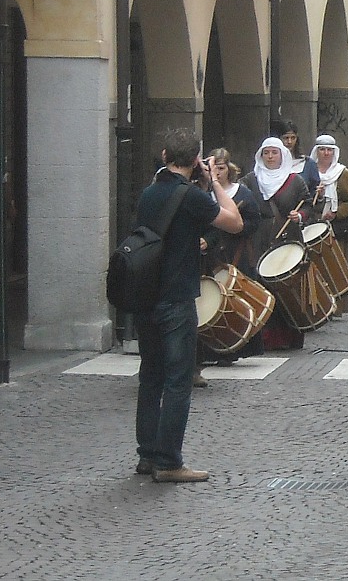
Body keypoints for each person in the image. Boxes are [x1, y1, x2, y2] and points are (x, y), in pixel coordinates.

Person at [133, 128, 242, 483]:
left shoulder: (149, 193)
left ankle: (148, 455)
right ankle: (169, 461)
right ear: (195, 160)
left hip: (145, 294)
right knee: (178, 380)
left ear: (164, 155)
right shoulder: (191, 197)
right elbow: (234, 221)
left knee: (150, 375)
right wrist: (213, 182)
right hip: (177, 297)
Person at [240, 137, 314, 351]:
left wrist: (299, 215)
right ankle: (263, 337)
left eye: (274, 153)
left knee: (286, 288)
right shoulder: (250, 180)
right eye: (266, 153)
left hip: (287, 238)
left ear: (282, 155)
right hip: (259, 239)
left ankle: (288, 336)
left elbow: (309, 205)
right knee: (261, 285)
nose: (270, 157)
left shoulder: (295, 180)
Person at [199, 148, 264, 368]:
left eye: (221, 167)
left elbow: (254, 221)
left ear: (228, 169)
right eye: (213, 167)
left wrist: (237, 228)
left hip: (235, 253)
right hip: (210, 256)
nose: (217, 172)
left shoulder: (242, 193)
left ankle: (233, 347)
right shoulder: (202, 193)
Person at [310, 134, 348, 316]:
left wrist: (336, 213)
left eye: (329, 149)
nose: (326, 153)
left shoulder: (342, 173)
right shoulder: (310, 171)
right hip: (312, 226)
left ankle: (338, 308)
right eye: (322, 149)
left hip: (335, 229)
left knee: (335, 268)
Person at [279, 121, 321, 196]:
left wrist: (319, 195)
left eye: (293, 138)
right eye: (286, 138)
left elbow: (314, 192)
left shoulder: (308, 164)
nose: (289, 142)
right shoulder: (271, 163)